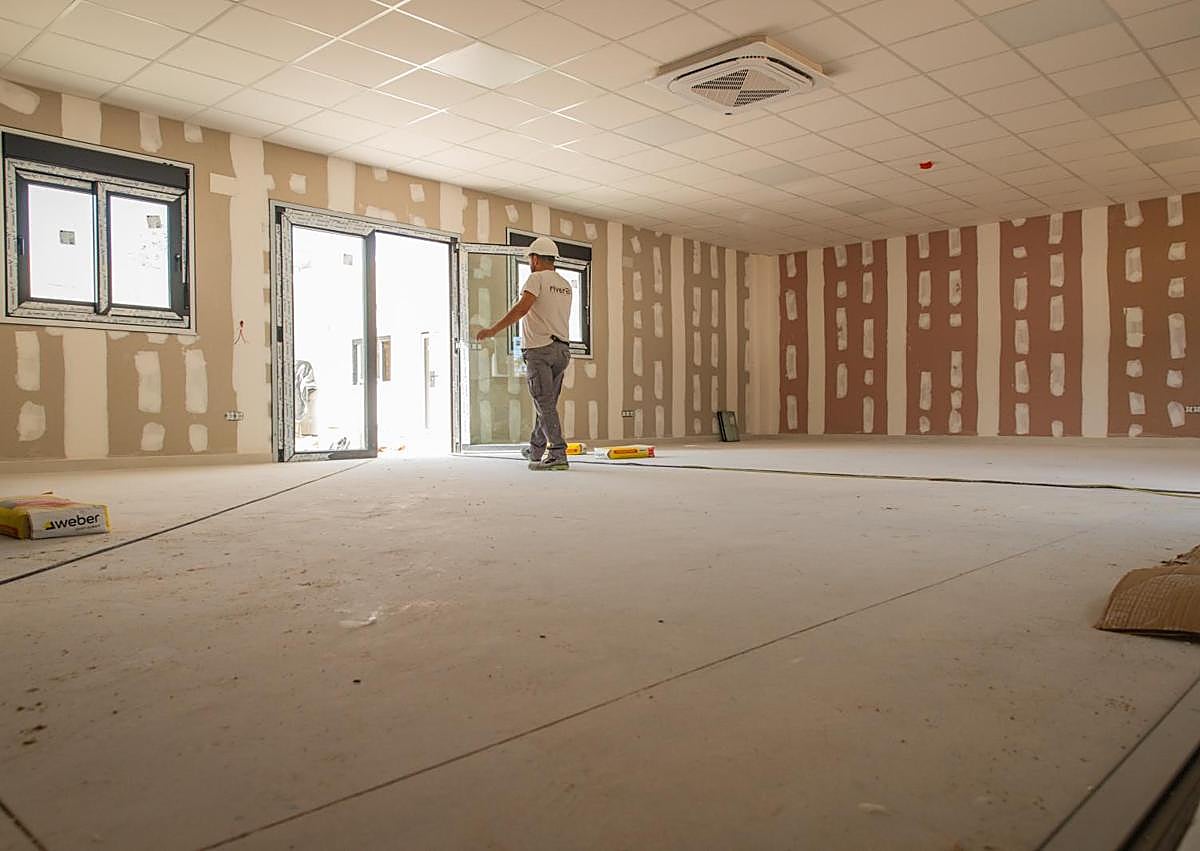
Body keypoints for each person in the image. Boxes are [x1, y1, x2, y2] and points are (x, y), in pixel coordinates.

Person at [475, 236, 574, 471]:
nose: (530, 262)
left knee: (544, 403)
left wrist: (493, 330)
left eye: (530, 258)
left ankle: (558, 452)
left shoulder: (535, 278)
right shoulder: (565, 284)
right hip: (562, 350)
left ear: (536, 259)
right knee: (546, 403)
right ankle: (536, 448)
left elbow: (522, 308)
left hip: (540, 350)